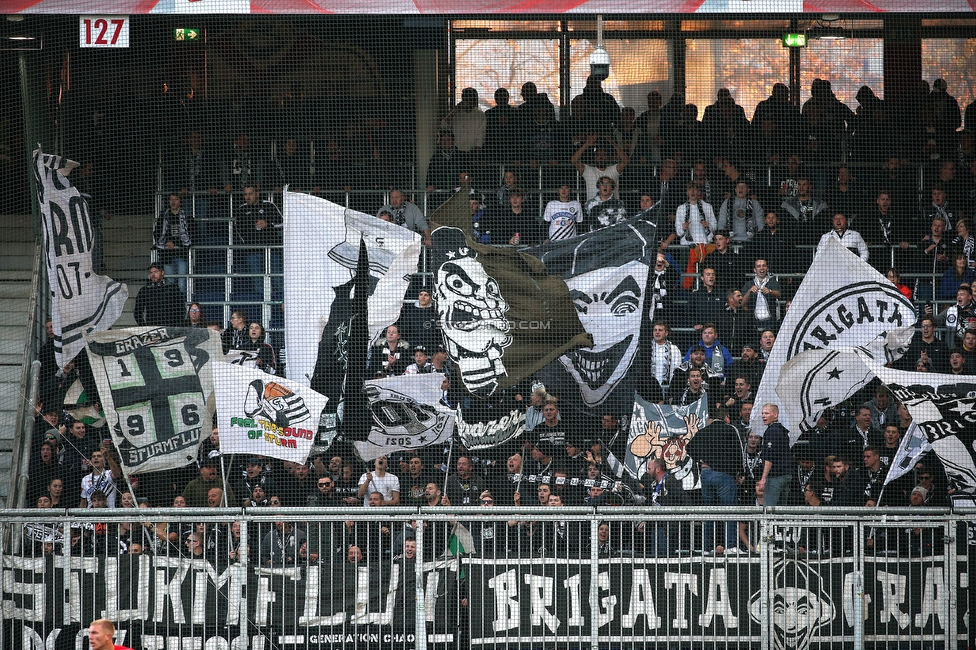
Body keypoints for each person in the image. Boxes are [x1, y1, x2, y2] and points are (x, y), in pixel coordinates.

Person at [686, 420, 744, 555]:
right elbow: (739, 451)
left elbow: (689, 448)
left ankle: (707, 548)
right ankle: (730, 546)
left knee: (710, 511)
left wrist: (700, 459)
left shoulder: (703, 431)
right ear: (726, 417)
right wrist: (741, 471)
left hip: (706, 473)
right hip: (724, 474)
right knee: (730, 510)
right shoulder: (730, 429)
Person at [234, 186, 283, 297]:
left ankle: (280, 306)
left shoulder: (268, 205)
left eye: (250, 194)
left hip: (272, 250)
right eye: (246, 194)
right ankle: (261, 309)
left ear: (257, 194)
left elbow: (282, 223)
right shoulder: (242, 209)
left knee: (277, 280)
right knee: (258, 281)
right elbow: (238, 230)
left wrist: (268, 224)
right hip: (253, 251)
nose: (248, 197)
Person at [571, 133, 630, 203]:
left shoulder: (613, 169)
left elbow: (626, 160)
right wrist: (586, 144)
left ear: (608, 157)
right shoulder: (588, 170)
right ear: (594, 158)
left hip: (613, 209)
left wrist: (613, 144)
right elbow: (574, 160)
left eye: (604, 155)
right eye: (598, 155)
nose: (601, 157)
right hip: (594, 209)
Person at [153, 193, 192, 295]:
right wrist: (166, 242)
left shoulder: (187, 216)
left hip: (182, 255)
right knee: (169, 283)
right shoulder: (163, 216)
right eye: (171, 199)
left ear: (180, 201)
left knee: (181, 283)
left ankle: (181, 307)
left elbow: (192, 234)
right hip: (167, 256)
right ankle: (171, 305)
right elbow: (157, 233)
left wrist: (175, 243)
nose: (173, 202)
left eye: (176, 199)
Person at [756, 404, 793, 506]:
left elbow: (769, 457)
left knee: (769, 510)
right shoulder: (782, 430)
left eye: (767, 413)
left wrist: (763, 479)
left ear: (775, 415)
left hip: (775, 476)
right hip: (786, 475)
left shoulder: (771, 431)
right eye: (763, 413)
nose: (763, 416)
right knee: (781, 510)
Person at [133, 263, 186, 327]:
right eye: (151, 272)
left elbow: (181, 308)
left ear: (162, 272)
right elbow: (137, 311)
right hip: (152, 328)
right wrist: (144, 327)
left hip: (170, 327)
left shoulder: (172, 288)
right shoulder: (145, 290)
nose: (153, 275)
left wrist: (176, 326)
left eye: (155, 272)